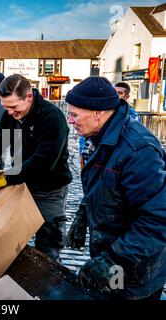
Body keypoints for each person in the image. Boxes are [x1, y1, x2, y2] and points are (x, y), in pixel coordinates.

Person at [65, 76, 166, 300]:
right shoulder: (102, 136)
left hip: (136, 269)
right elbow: (105, 185)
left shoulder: (138, 150)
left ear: (97, 113)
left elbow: (157, 220)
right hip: (113, 256)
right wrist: (84, 211)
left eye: (74, 115)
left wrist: (113, 260)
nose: (70, 120)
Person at [0, 74, 72, 261]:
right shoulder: (10, 115)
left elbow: (42, 162)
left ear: (29, 97)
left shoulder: (52, 118)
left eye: (14, 107)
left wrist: (5, 178)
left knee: (48, 244)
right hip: (21, 186)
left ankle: (49, 283)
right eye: (6, 107)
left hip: (49, 189)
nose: (11, 112)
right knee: (14, 239)